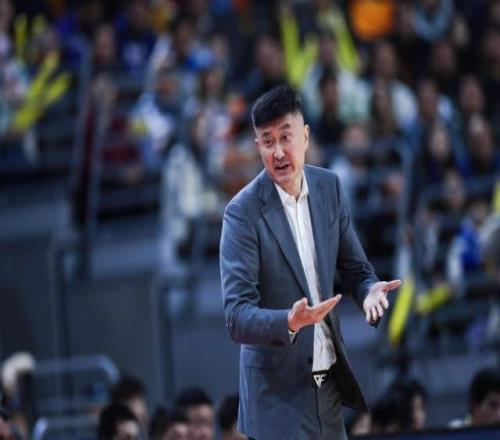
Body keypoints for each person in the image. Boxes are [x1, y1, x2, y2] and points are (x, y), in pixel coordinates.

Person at [220, 85, 401, 440]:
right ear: (257, 146)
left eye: (285, 137)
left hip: (328, 388)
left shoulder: (328, 187)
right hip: (276, 400)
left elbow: (356, 270)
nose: (277, 152)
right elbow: (236, 316)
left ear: (304, 136)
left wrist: (368, 292)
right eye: (267, 142)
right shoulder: (241, 214)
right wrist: (288, 321)